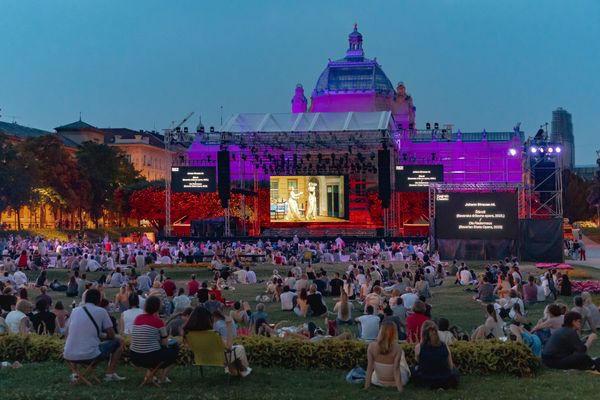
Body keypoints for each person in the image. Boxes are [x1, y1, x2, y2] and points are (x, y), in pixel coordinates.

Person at [63, 288, 125, 382]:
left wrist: (97, 334)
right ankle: (109, 374)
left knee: (77, 341)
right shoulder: (101, 311)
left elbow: (68, 332)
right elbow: (111, 335)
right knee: (119, 341)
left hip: (68, 354)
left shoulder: (75, 310)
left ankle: (75, 374)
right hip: (90, 355)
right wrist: (102, 336)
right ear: (99, 300)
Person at [183, 306, 252, 377]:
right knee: (240, 348)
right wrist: (229, 326)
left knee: (234, 361)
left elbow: (189, 348)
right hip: (219, 359)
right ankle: (244, 371)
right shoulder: (213, 334)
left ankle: (235, 371)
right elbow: (229, 347)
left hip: (200, 358)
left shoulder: (188, 334)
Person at [129, 296, 179, 384]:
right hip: (150, 358)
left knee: (152, 348)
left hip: (134, 356)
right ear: (158, 307)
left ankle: (150, 376)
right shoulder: (158, 322)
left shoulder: (138, 318)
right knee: (174, 347)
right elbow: (165, 343)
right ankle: (163, 378)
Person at [412, 320, 460, 389]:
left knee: (413, 368)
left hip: (425, 379)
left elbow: (418, 363)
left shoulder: (419, 347)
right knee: (455, 370)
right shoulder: (444, 346)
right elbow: (450, 366)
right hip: (445, 379)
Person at [364, 321, 409, 393]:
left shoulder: (371, 346)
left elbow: (369, 368)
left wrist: (366, 387)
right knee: (403, 365)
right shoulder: (397, 349)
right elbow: (396, 370)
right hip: (395, 382)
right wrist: (400, 390)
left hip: (378, 381)